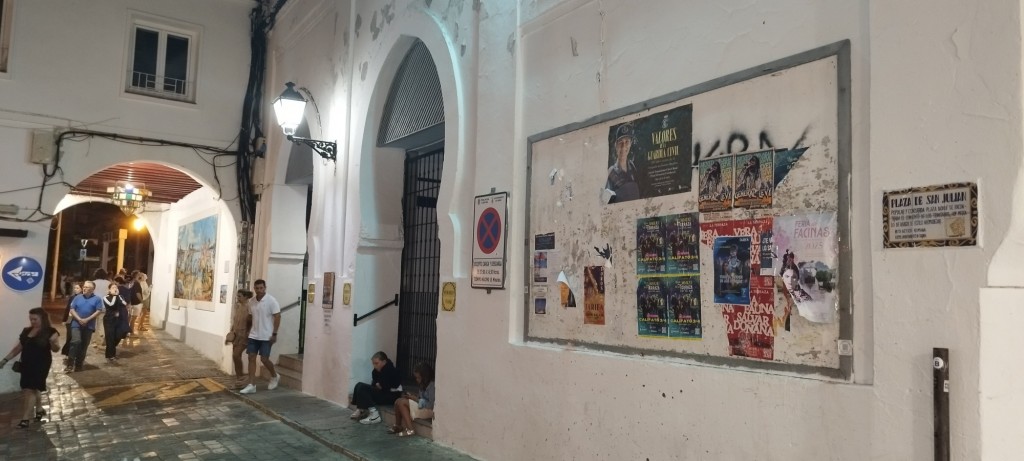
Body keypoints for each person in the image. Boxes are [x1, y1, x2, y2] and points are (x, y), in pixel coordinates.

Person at [0, 308, 60, 428]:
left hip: (41, 364)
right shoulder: (27, 331)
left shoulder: (50, 331)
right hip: (27, 363)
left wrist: (53, 342)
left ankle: (25, 418)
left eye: (35, 319)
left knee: (29, 389)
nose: (32, 321)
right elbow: (18, 348)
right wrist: (5, 360)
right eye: (30, 319)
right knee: (34, 388)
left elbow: (56, 349)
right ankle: (39, 409)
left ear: (42, 318)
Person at [239, 279, 281, 394]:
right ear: (254, 288)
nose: (259, 290)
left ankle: (274, 375)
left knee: (264, 359)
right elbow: (251, 318)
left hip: (266, 336)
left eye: (261, 288)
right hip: (254, 335)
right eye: (257, 288)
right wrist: (248, 332)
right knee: (251, 357)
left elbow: (277, 316)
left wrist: (274, 334)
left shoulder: (271, 301)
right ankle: (251, 385)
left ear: (265, 287)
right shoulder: (252, 302)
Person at [350, 351, 402, 424]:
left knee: (362, 388)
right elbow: (375, 383)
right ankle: (361, 409)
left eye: (376, 363)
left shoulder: (392, 371)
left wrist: (380, 385)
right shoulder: (376, 371)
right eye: (373, 363)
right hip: (383, 393)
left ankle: (375, 415)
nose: (374, 366)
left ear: (384, 362)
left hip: (391, 396)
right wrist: (378, 385)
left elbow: (392, 386)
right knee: (359, 385)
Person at [388, 362, 435, 437]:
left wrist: (416, 399)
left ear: (425, 377)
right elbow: (421, 397)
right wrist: (412, 396)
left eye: (418, 378)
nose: (417, 380)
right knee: (398, 401)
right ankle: (398, 425)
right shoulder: (423, 385)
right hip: (422, 406)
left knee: (402, 403)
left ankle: (410, 429)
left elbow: (431, 405)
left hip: (428, 410)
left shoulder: (432, 386)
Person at [67, 280, 103, 372]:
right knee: (75, 341)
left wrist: (87, 319)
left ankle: (79, 364)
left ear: (92, 289)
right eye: (84, 287)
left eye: (87, 287)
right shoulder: (77, 298)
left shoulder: (97, 299)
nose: (84, 288)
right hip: (76, 323)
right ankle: (70, 363)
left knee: (84, 345)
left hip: (89, 325)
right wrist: (79, 319)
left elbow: (98, 311)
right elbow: (72, 309)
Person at [605, 123, 640, 203]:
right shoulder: (611, 172)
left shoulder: (632, 166)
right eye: (620, 142)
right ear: (616, 145)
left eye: (627, 142)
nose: (624, 147)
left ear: (630, 144)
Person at [227, 289, 254, 389]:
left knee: (236, 355)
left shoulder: (249, 307)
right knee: (235, 357)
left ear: (246, 297)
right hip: (236, 334)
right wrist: (232, 331)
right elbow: (235, 320)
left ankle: (242, 376)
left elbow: (250, 321)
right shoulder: (238, 307)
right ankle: (239, 379)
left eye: (240, 296)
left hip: (244, 335)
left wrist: (248, 333)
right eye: (237, 296)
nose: (238, 298)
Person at [102, 282, 130, 362]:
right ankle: (111, 355)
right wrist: (115, 296)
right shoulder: (106, 297)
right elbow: (111, 304)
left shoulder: (119, 296)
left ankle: (110, 351)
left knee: (119, 335)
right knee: (110, 337)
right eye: (113, 288)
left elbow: (124, 303)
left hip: (119, 319)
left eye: (116, 287)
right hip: (109, 319)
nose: (115, 289)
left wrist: (118, 296)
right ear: (109, 290)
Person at [61, 283, 83, 360]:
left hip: (78, 320)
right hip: (70, 319)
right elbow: (67, 308)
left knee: (75, 338)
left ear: (81, 289)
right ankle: (67, 353)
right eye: (75, 288)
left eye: (77, 288)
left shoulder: (83, 298)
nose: (75, 289)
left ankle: (74, 354)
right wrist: (64, 319)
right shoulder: (72, 297)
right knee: (69, 336)